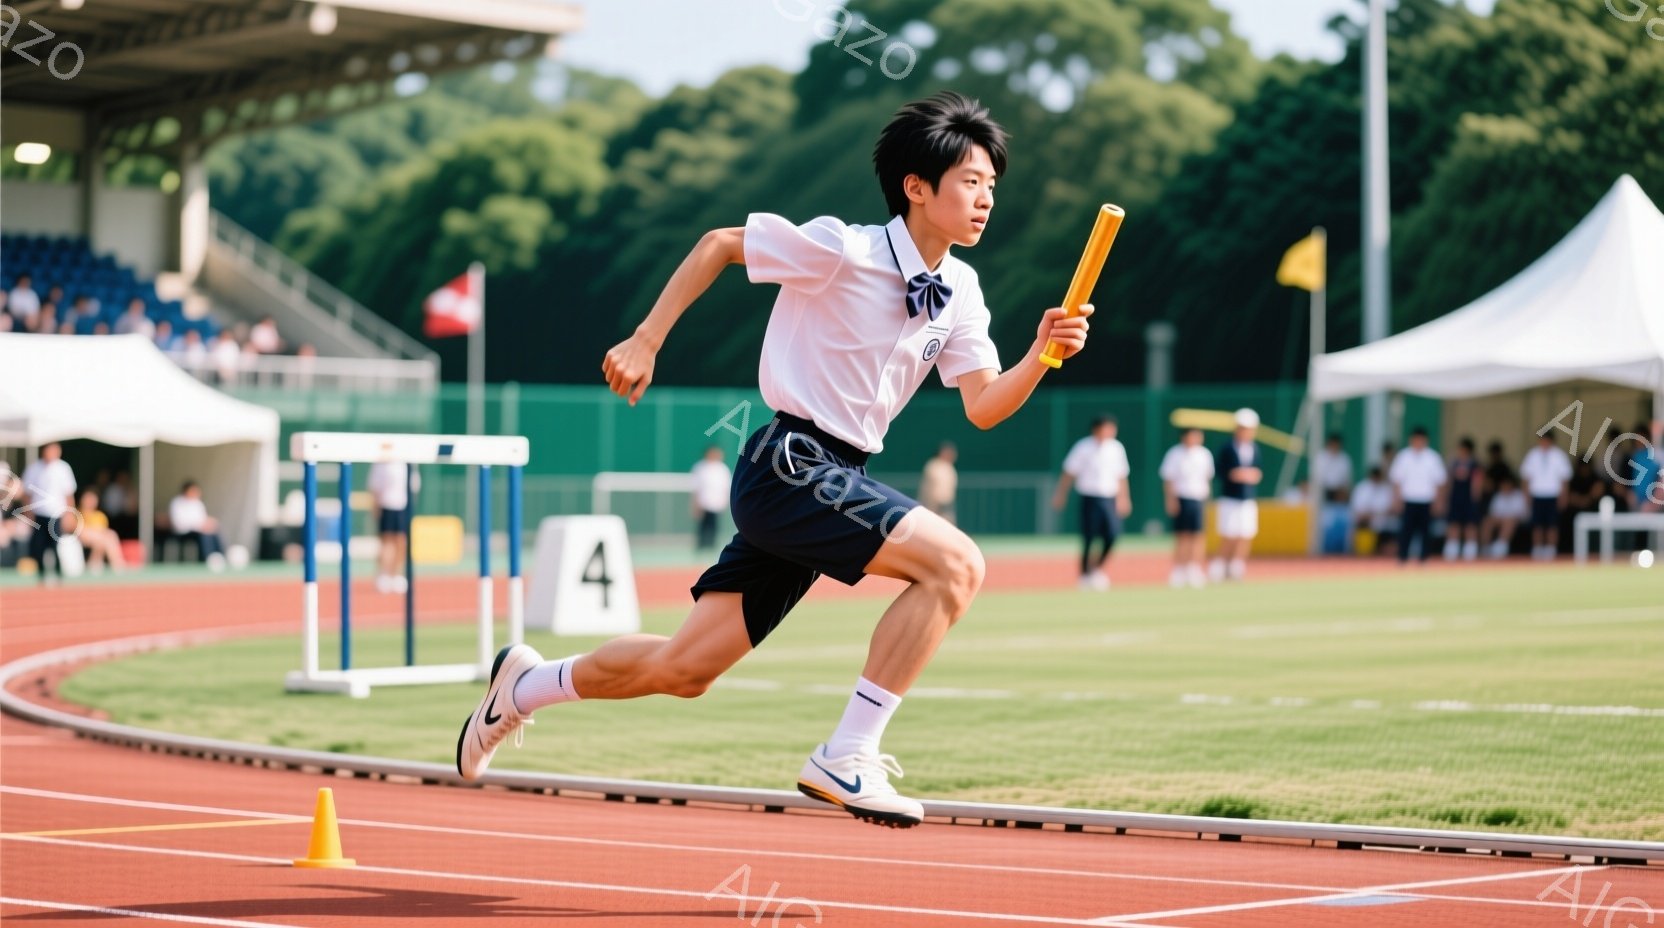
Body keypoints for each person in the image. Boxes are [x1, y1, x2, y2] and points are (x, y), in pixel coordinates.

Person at [456, 91, 1094, 829]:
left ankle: (526, 686)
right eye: (971, 181)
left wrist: (1043, 355)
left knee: (684, 669)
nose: (986, 199)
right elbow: (719, 245)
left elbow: (984, 405)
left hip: (839, 476)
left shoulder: (962, 291)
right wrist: (646, 340)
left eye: (991, 185)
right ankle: (847, 752)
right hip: (790, 460)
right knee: (957, 565)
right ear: (917, 188)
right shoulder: (842, 248)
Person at [1053, 415, 1131, 590]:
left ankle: (1096, 569)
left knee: (1112, 534)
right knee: (1089, 536)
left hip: (1109, 497)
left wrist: (1124, 498)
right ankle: (1085, 574)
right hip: (1089, 497)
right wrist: (1060, 494)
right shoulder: (1083, 447)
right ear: (1096, 429)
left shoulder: (1117, 448)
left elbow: (1121, 476)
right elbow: (1069, 472)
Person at [1210, 408, 1262, 581]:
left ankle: (1236, 566)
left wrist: (1249, 475)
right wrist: (1236, 474)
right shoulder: (1227, 448)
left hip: (1247, 498)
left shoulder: (1254, 448)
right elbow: (1221, 472)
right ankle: (1219, 565)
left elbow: (1258, 472)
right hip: (1230, 498)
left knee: (1245, 534)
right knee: (1229, 534)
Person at [1159, 426, 1213, 588]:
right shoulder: (1175, 454)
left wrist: (1207, 500)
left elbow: (1207, 479)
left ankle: (1194, 568)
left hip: (1198, 498)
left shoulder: (1204, 454)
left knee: (1198, 535)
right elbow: (1169, 479)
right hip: (1181, 498)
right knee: (1182, 535)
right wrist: (1171, 500)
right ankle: (1179, 569)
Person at [21, 443, 77, 585]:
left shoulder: (63, 468)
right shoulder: (34, 468)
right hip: (39, 513)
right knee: (38, 545)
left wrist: (69, 514)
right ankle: (41, 574)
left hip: (56, 513)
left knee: (54, 545)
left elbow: (68, 494)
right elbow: (27, 493)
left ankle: (58, 574)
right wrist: (28, 512)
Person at [1388, 426, 1445, 564]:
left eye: (1421, 439)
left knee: (1425, 531)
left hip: (1426, 499)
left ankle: (1424, 558)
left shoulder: (1433, 457)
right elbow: (1396, 480)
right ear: (1411, 439)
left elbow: (1439, 482)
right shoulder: (1403, 456)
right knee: (1406, 530)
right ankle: (1403, 557)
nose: (1418, 442)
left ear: (1426, 440)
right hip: (1408, 499)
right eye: (1416, 439)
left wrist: (1439, 501)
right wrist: (1396, 500)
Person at [367, 461, 420, 593]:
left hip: (402, 505)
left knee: (401, 541)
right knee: (386, 540)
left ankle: (396, 575)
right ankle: (384, 574)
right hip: (386, 504)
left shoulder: (407, 462)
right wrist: (375, 505)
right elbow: (375, 486)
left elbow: (414, 485)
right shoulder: (381, 463)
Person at [1519, 432, 1571, 560]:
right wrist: (1526, 495)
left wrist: (1564, 496)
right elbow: (1526, 477)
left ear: (1551, 441)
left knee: (1552, 524)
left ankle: (1550, 549)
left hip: (1553, 494)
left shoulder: (1559, 456)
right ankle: (1537, 548)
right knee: (1537, 524)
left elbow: (1564, 479)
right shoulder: (1532, 455)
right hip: (1537, 494)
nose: (1544, 443)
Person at [168, 480, 226, 570]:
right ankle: (205, 560)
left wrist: (209, 524)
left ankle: (219, 557)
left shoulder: (198, 503)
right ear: (186, 490)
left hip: (198, 530)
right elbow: (178, 523)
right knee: (204, 536)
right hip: (183, 533)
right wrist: (198, 526)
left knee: (214, 532)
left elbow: (203, 519)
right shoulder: (177, 502)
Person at [1441, 437, 1483, 561]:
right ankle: (1452, 549)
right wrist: (1446, 498)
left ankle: (1470, 550)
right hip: (1455, 497)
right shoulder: (1453, 464)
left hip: (1469, 498)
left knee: (1470, 525)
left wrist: (1475, 499)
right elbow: (1448, 482)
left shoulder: (1475, 464)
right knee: (1453, 524)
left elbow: (1477, 482)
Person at [689, 445, 731, 551]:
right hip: (703, 502)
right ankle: (701, 545)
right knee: (702, 525)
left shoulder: (722, 468)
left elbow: (726, 487)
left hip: (717, 503)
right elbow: (696, 487)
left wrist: (724, 501)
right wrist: (695, 504)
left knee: (714, 525)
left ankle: (711, 545)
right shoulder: (700, 467)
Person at [74, 489, 126, 573]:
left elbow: (103, 531)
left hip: (97, 539)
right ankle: (116, 565)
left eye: (92, 500)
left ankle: (97, 564)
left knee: (110, 535)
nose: (90, 502)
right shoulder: (76, 513)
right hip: (80, 537)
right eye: (88, 499)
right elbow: (76, 529)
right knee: (104, 537)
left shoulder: (100, 516)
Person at [1350, 465, 1397, 557]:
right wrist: (1373, 515)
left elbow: (1391, 509)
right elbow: (1358, 512)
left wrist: (1378, 514)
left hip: (1383, 525)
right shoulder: (1361, 489)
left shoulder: (1385, 489)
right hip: (1366, 524)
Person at [1483, 475, 1529, 558]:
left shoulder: (1519, 495)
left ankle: (1500, 547)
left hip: (1516, 520)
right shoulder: (1498, 495)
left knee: (1509, 521)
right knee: (1487, 521)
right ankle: (1486, 547)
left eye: (1507, 485)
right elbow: (1493, 512)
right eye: (1503, 485)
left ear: (1512, 485)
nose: (1505, 487)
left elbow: (1522, 513)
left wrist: (1506, 517)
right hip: (1500, 519)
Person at [919, 442, 959, 525]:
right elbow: (928, 486)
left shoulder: (949, 467)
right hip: (933, 503)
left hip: (946, 501)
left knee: (948, 524)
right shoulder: (933, 465)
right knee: (932, 524)